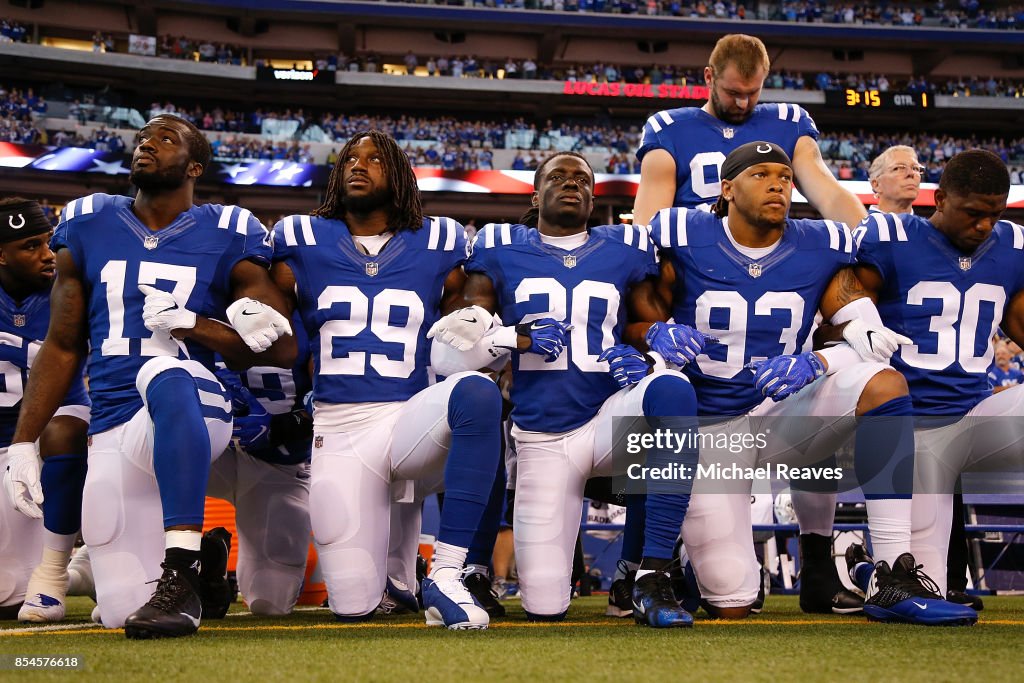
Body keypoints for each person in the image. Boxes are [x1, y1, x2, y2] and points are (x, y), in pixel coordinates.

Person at [645, 141, 974, 625]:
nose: (778, 182)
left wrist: (821, 360)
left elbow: (871, 336)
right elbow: (633, 302)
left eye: (784, 174)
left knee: (882, 383)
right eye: (761, 174)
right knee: (731, 602)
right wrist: (654, 331)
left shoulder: (822, 243)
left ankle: (890, 573)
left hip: (782, 413)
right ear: (727, 187)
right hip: (711, 427)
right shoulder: (681, 231)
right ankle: (695, 560)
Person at [6, 114, 296, 639]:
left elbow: (282, 347)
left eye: (167, 138)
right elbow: (64, 343)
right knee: (122, 613)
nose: (148, 143)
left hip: (199, 404)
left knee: (167, 372)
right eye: (144, 136)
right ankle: (206, 572)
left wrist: (198, 326)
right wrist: (25, 438)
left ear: (195, 165)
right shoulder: (89, 220)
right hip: (117, 425)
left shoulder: (229, 230)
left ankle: (180, 573)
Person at [632, 34, 869, 616]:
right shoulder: (670, 131)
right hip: (698, 283)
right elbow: (647, 220)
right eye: (732, 93)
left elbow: (826, 192)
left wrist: (869, 236)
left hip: (775, 285)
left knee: (851, 384)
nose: (742, 103)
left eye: (752, 93)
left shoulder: (790, 124)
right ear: (708, 75)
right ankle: (655, 562)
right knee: (665, 411)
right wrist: (646, 298)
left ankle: (821, 561)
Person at [428, 151, 700, 627]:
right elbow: (460, 344)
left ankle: (650, 573)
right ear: (536, 195)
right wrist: (514, 337)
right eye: (558, 176)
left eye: (582, 178)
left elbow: (644, 323)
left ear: (594, 197)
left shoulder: (625, 247)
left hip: (608, 418)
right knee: (545, 605)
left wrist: (649, 348)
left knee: (671, 390)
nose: (571, 182)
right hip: (544, 438)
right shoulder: (498, 247)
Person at [269, 129, 502, 630]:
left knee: (477, 394)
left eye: (374, 159)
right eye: (350, 158)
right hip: (339, 427)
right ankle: (397, 576)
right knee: (353, 605)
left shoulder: (440, 242)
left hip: (406, 419)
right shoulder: (301, 239)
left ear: (398, 175)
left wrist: (484, 324)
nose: (358, 164)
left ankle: (447, 573)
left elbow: (466, 320)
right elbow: (267, 315)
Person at [846, 149, 1023, 622]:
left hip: (975, 418)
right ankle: (873, 571)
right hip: (911, 432)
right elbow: (838, 316)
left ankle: (871, 570)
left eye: (994, 214)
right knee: (924, 589)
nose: (985, 225)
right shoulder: (889, 235)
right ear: (939, 199)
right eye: (972, 213)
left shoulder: (1012, 245)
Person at [0, 198, 90, 621]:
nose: (47, 254)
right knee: (6, 595)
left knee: (63, 428)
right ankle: (83, 574)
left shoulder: (74, 290)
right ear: (2, 254)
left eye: (48, 242)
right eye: (30, 246)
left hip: (56, 444)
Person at [206, 323, 314, 617]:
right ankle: (181, 559)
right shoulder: (196, 297)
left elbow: (340, 399)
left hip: (278, 461)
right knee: (138, 451)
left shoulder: (315, 300)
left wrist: (284, 427)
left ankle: (206, 567)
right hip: (207, 453)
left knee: (270, 603)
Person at [868, 146, 924, 214]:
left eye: (915, 168)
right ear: (876, 185)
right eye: (898, 168)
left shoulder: (927, 224)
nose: (911, 173)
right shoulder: (859, 223)